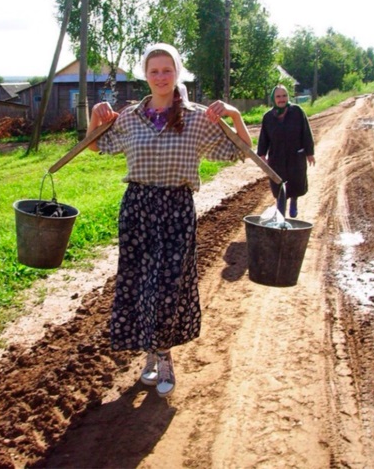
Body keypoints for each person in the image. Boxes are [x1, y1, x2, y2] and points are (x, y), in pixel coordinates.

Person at [86, 42, 252, 398]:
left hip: (177, 211)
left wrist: (235, 115)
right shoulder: (130, 117)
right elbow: (96, 146)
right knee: (140, 286)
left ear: (177, 72)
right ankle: (149, 355)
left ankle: (164, 357)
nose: (161, 77)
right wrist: (94, 119)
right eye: (153, 71)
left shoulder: (197, 117)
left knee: (168, 288)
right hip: (138, 210)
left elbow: (241, 150)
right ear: (145, 76)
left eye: (167, 70)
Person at [257, 84, 315, 218]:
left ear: (288, 97)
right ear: (273, 98)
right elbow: (264, 137)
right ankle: (280, 210)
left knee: (295, 181)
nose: (281, 99)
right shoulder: (268, 117)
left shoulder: (297, 112)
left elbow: (306, 133)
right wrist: (262, 154)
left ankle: (294, 201)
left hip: (295, 155)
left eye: (284, 96)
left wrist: (309, 153)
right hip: (276, 157)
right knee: (278, 184)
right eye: (278, 96)